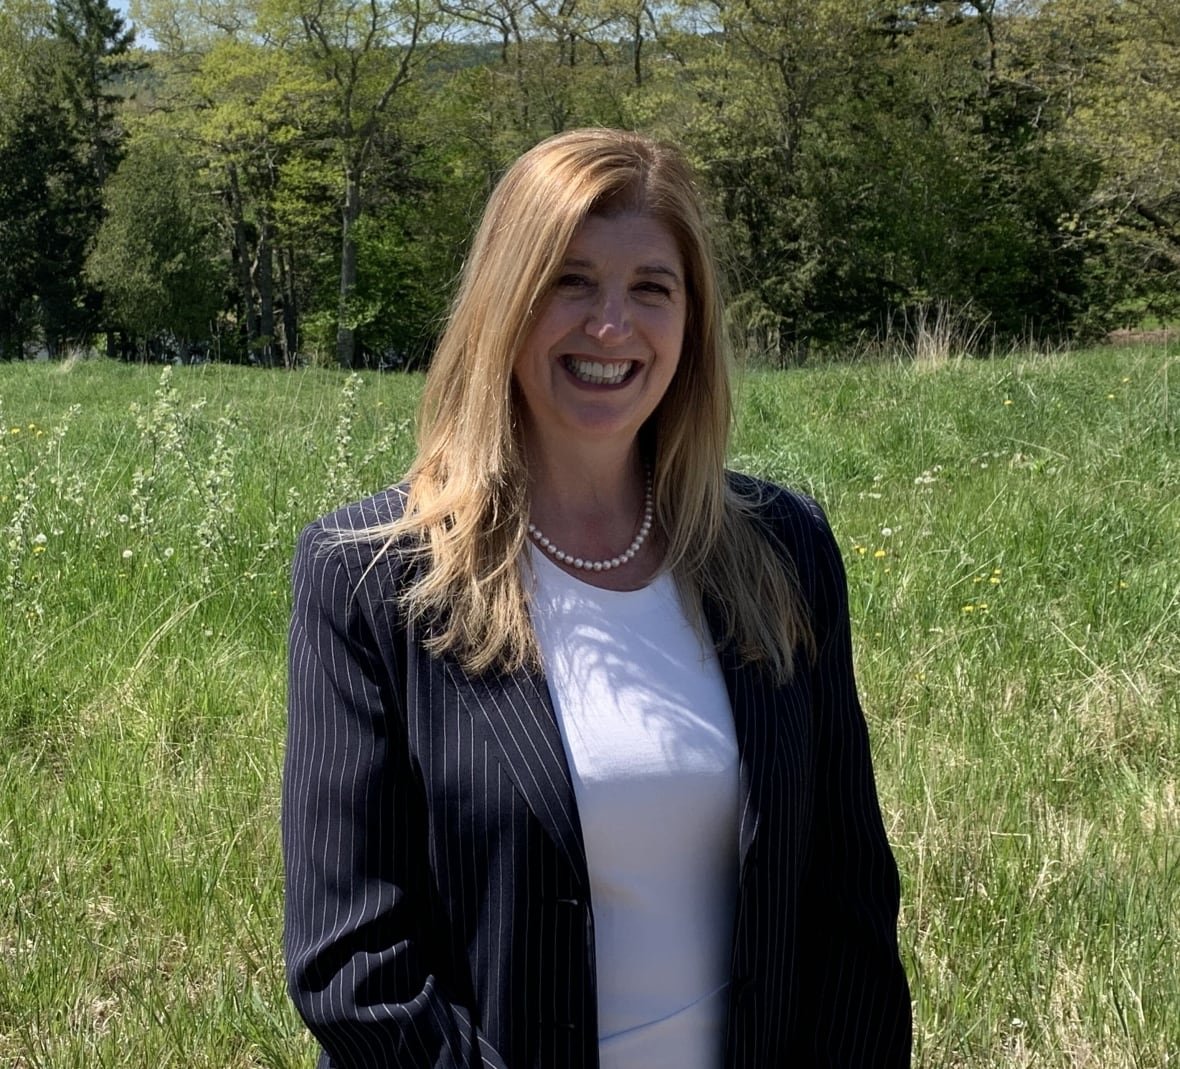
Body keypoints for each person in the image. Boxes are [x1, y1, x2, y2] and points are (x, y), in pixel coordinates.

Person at [283, 128, 911, 1069]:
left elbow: (849, 900)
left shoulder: (784, 550)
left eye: (650, 288)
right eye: (569, 281)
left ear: (692, 321)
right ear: (504, 305)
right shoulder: (370, 577)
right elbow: (353, 965)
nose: (611, 326)